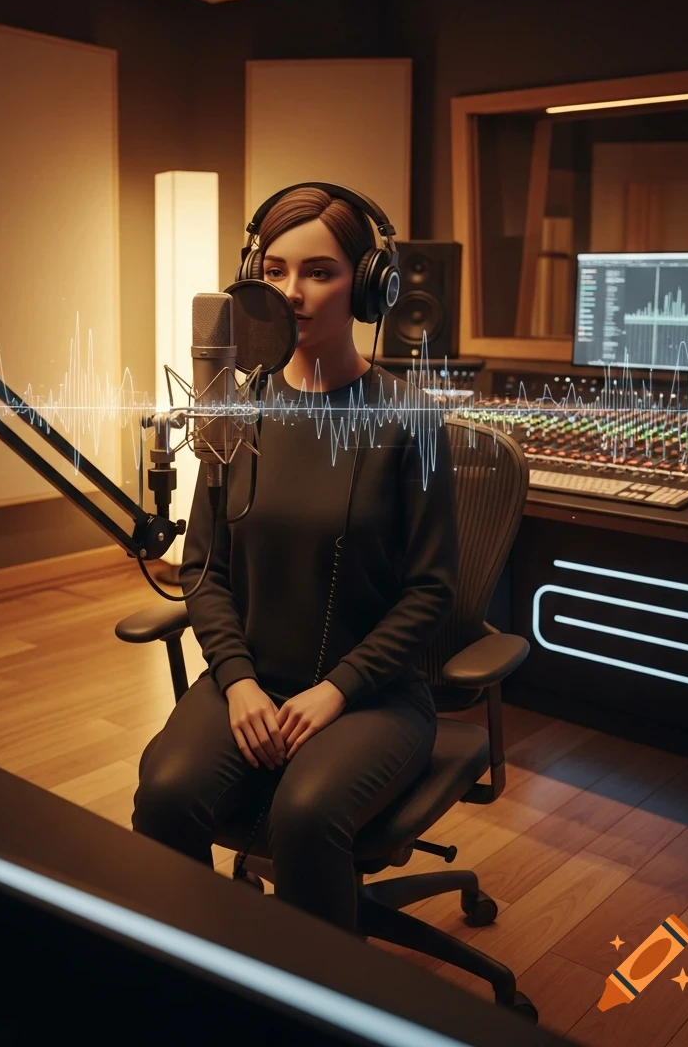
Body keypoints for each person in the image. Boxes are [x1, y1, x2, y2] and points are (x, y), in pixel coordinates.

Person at [132, 186, 458, 935]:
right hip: (251, 684)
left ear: (370, 286)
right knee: (166, 792)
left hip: (372, 700)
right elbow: (203, 572)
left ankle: (313, 1011)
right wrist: (239, 682)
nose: (292, 293)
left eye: (318, 272)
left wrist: (337, 691)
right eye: (274, 271)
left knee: (306, 817)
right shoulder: (233, 413)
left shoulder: (411, 421)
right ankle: (196, 979)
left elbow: (430, 594)